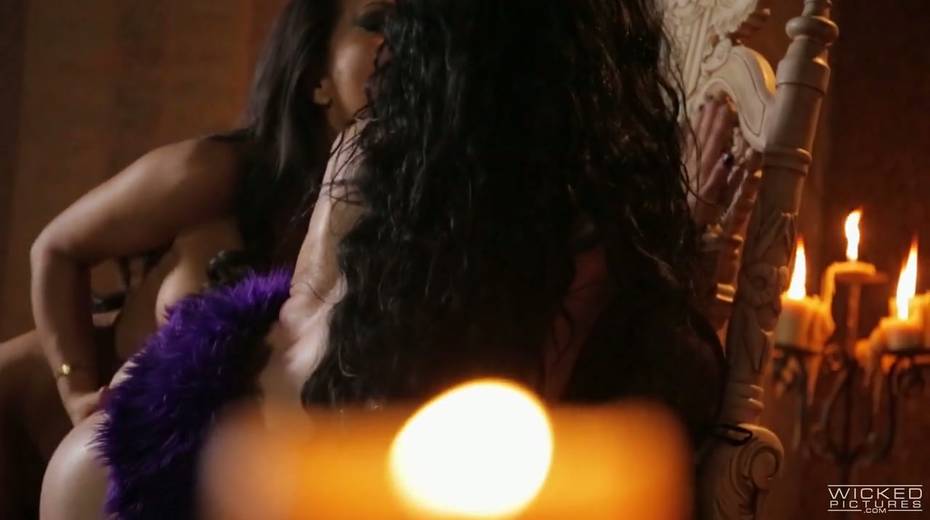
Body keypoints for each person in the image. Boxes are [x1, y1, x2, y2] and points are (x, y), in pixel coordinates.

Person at [47, 0, 751, 517]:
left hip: (172, 434)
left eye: (394, 21)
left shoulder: (377, 147)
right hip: (221, 447)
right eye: (370, 22)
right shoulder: (570, 214)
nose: (385, 40)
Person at [0, 0, 391, 517]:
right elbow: (55, 248)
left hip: (135, 475)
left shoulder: (382, 216)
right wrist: (75, 392)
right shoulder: (215, 170)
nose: (402, 44)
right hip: (27, 422)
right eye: (377, 25)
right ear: (316, 78)